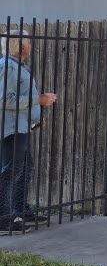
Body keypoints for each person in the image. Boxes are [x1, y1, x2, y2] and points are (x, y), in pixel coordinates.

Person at [0, 30, 56, 231]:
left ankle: (19, 210)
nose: (31, 45)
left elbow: (19, 97)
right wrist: (39, 100)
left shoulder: (17, 67)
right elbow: (3, 100)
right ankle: (3, 219)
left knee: (25, 167)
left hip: (21, 126)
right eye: (29, 42)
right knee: (10, 171)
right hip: (10, 128)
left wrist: (35, 115)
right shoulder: (8, 67)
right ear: (22, 46)